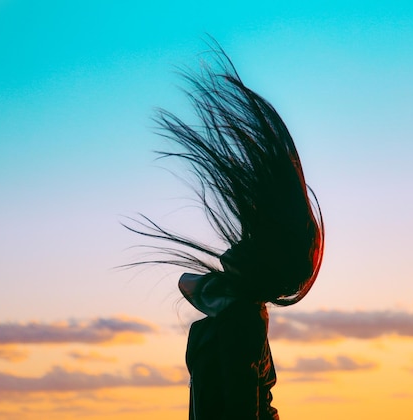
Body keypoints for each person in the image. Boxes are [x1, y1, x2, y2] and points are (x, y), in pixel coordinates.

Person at [127, 43, 324, 420]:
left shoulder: (241, 317)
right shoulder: (236, 312)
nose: (234, 245)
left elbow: (241, 406)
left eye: (249, 243)